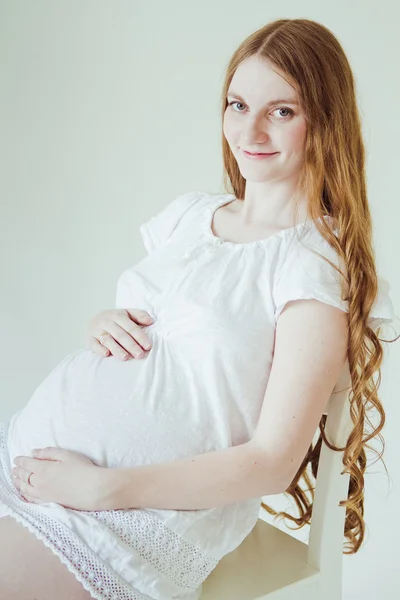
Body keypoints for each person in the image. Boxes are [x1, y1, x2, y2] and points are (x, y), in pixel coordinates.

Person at [1, 17, 399, 600]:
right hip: (34, 462)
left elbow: (270, 462)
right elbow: (167, 338)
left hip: (121, 519)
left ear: (325, 120)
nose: (251, 129)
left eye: (281, 111)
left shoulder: (313, 267)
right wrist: (101, 323)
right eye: (238, 104)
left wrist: (103, 489)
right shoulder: (189, 216)